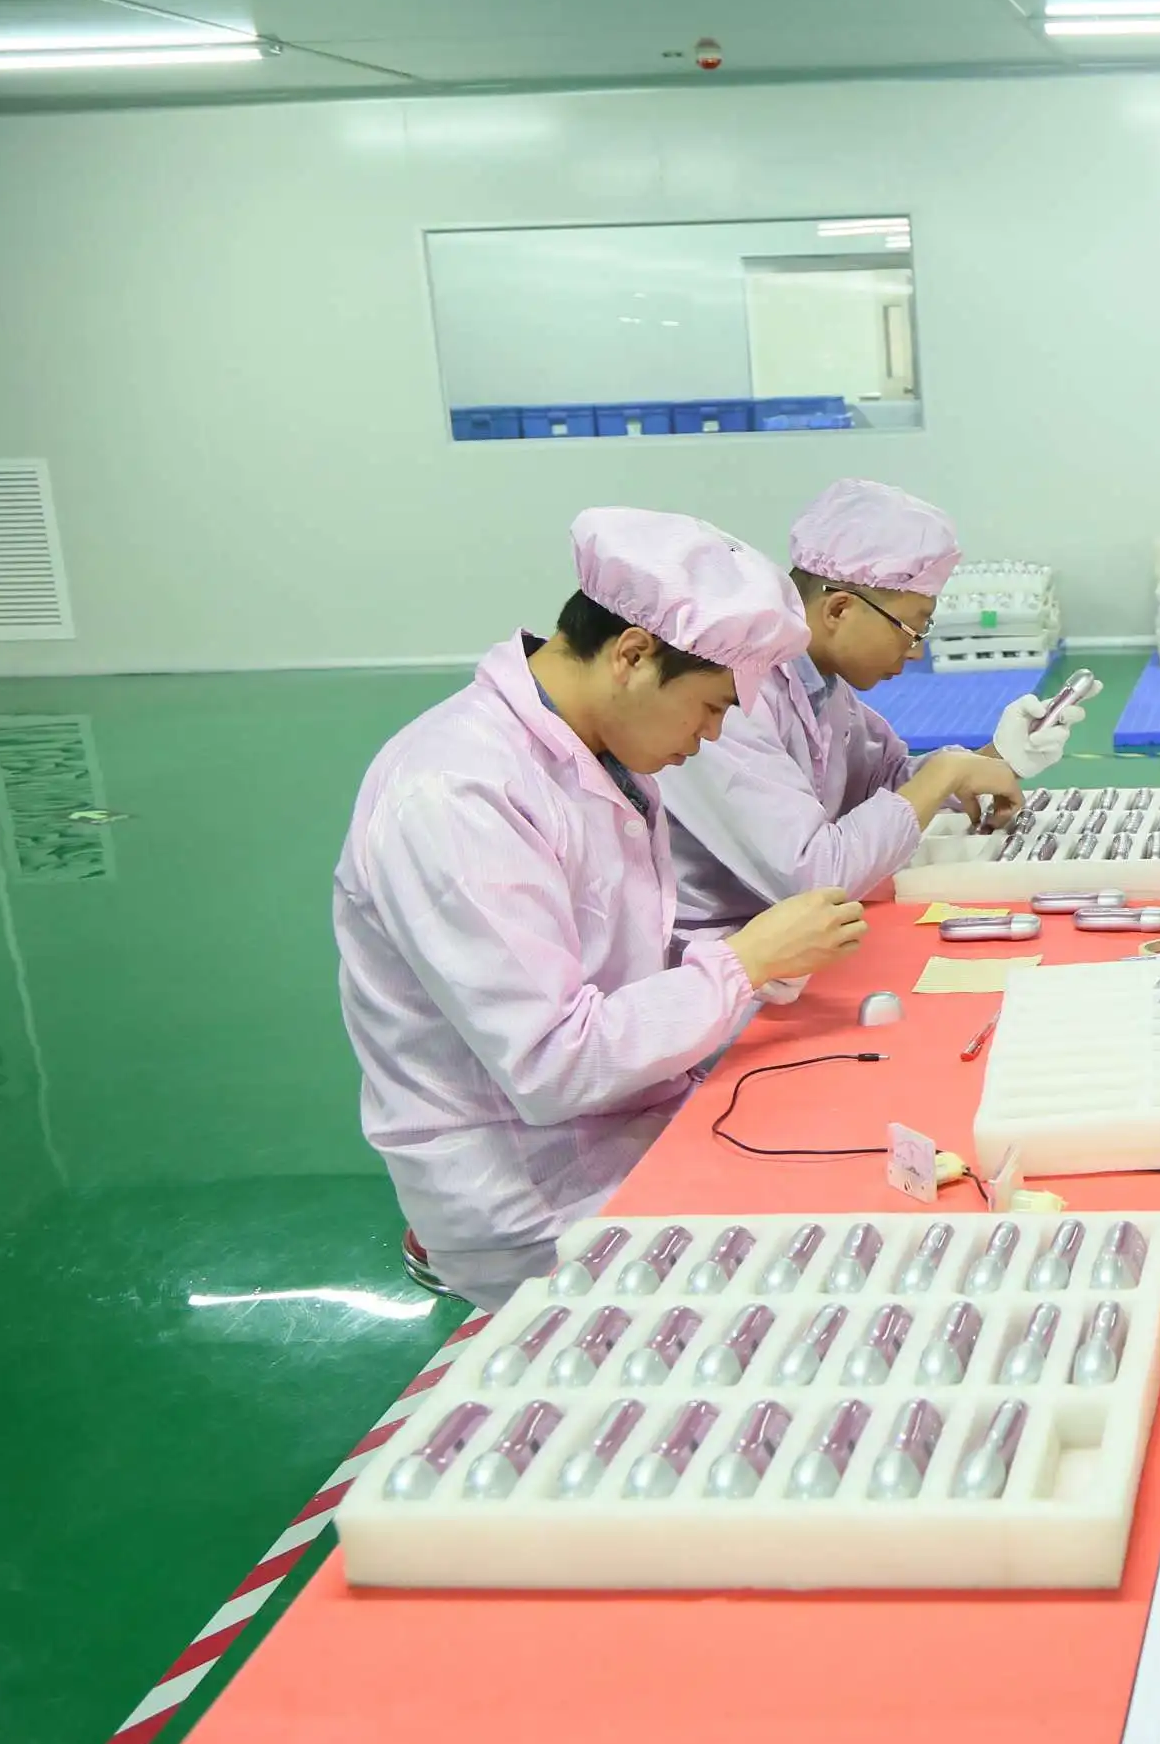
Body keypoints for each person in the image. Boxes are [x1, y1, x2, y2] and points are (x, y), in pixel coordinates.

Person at [333, 508, 870, 1307]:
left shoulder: (600, 758)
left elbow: (612, 958)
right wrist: (742, 964)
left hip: (626, 1121)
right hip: (535, 1197)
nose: (711, 737)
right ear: (632, 654)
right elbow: (552, 1064)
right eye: (712, 707)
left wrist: (753, 961)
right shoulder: (456, 794)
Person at [661, 479, 1085, 931]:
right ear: (839, 610)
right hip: (715, 947)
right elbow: (815, 878)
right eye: (913, 628)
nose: (917, 651)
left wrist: (994, 758)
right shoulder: (733, 701)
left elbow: (887, 786)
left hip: (784, 933)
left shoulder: (819, 684)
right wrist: (946, 773)